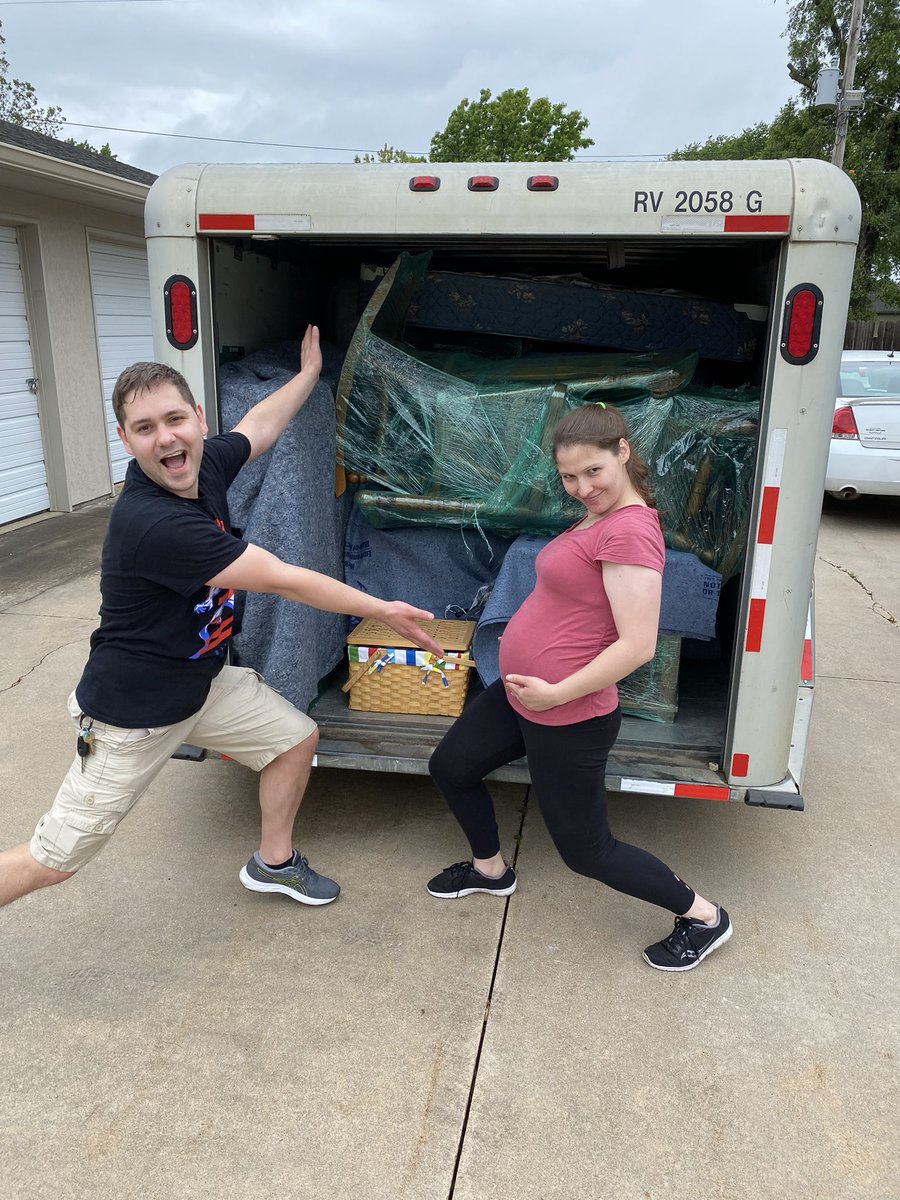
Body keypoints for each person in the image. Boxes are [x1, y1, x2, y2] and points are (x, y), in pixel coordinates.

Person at [0, 326, 442, 911]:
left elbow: (257, 428)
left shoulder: (201, 465)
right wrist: (382, 608)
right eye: (144, 428)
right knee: (51, 862)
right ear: (125, 440)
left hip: (199, 685)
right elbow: (285, 578)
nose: (166, 438)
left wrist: (308, 378)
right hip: (134, 716)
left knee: (295, 739)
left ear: (198, 419)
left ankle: (273, 862)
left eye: (174, 419)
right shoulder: (154, 524)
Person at [425, 402, 732, 972]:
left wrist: (556, 693)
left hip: (569, 714)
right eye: (569, 476)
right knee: (451, 766)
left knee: (588, 852)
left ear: (622, 451)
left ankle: (704, 917)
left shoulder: (632, 531)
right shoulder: (600, 516)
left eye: (593, 471)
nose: (582, 487)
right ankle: (491, 869)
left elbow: (637, 646)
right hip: (527, 696)